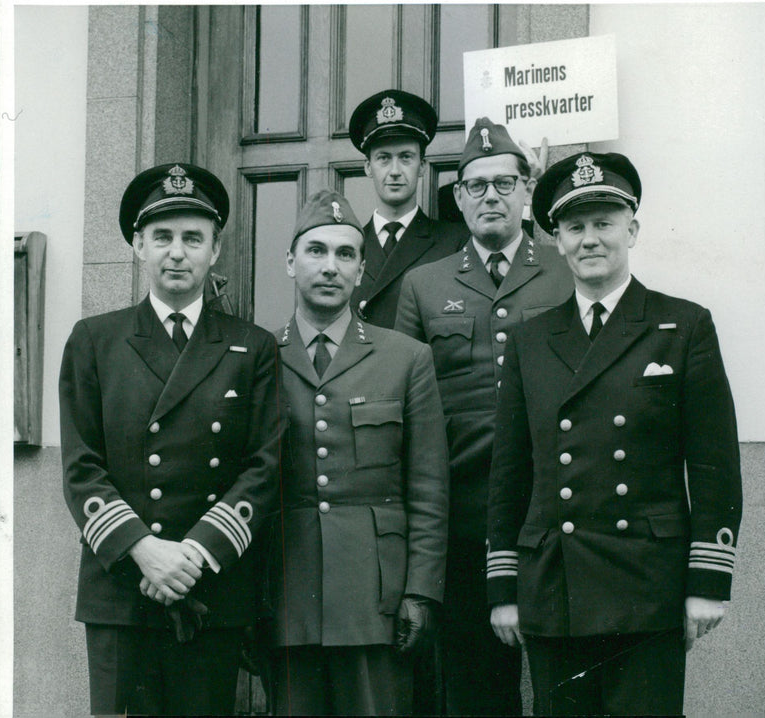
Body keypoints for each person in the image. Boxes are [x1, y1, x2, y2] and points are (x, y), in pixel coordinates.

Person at [487, 151, 743, 716]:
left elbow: (714, 464)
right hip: (555, 584)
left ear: (633, 228)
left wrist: (708, 580)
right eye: (574, 227)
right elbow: (509, 471)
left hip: (647, 584)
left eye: (603, 223)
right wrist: (504, 586)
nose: (590, 239)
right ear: (557, 240)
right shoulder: (531, 340)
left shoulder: (682, 325)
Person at [59, 163, 283, 716]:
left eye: (192, 238)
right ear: (138, 246)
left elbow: (263, 466)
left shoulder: (251, 346)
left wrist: (193, 554)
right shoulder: (95, 340)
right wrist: (146, 551)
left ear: (215, 250)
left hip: (211, 586)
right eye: (162, 237)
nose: (177, 252)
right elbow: (82, 468)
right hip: (121, 588)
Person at [394, 118, 573, 715]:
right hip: (464, 515)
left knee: (562, 672)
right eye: (476, 186)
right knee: (476, 685)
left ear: (527, 190)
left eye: (504, 183)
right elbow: (407, 405)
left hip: (552, 506)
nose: (490, 196)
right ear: (459, 199)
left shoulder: (564, 270)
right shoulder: (423, 285)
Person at [269, 190, 449, 716]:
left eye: (346, 254)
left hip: (378, 594)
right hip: (286, 593)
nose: (331, 266)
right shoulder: (257, 355)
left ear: (362, 268)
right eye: (316, 251)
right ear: (290, 261)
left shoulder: (407, 357)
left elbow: (429, 486)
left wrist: (421, 591)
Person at [348, 89, 469, 328]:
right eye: (383, 158)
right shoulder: (349, 246)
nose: (394, 171)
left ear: (422, 165)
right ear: (368, 167)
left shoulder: (455, 242)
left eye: (405, 157)